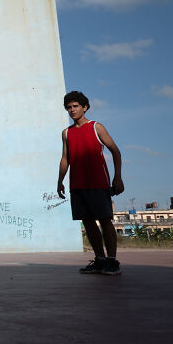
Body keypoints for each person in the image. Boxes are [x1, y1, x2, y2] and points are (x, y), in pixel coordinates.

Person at [57, 91, 123, 275]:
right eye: (69, 107)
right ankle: (100, 259)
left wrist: (118, 177)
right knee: (87, 222)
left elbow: (115, 151)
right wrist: (60, 181)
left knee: (105, 220)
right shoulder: (66, 133)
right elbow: (65, 159)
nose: (72, 110)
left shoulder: (96, 127)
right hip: (77, 184)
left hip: (98, 182)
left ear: (85, 107)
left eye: (75, 106)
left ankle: (112, 261)